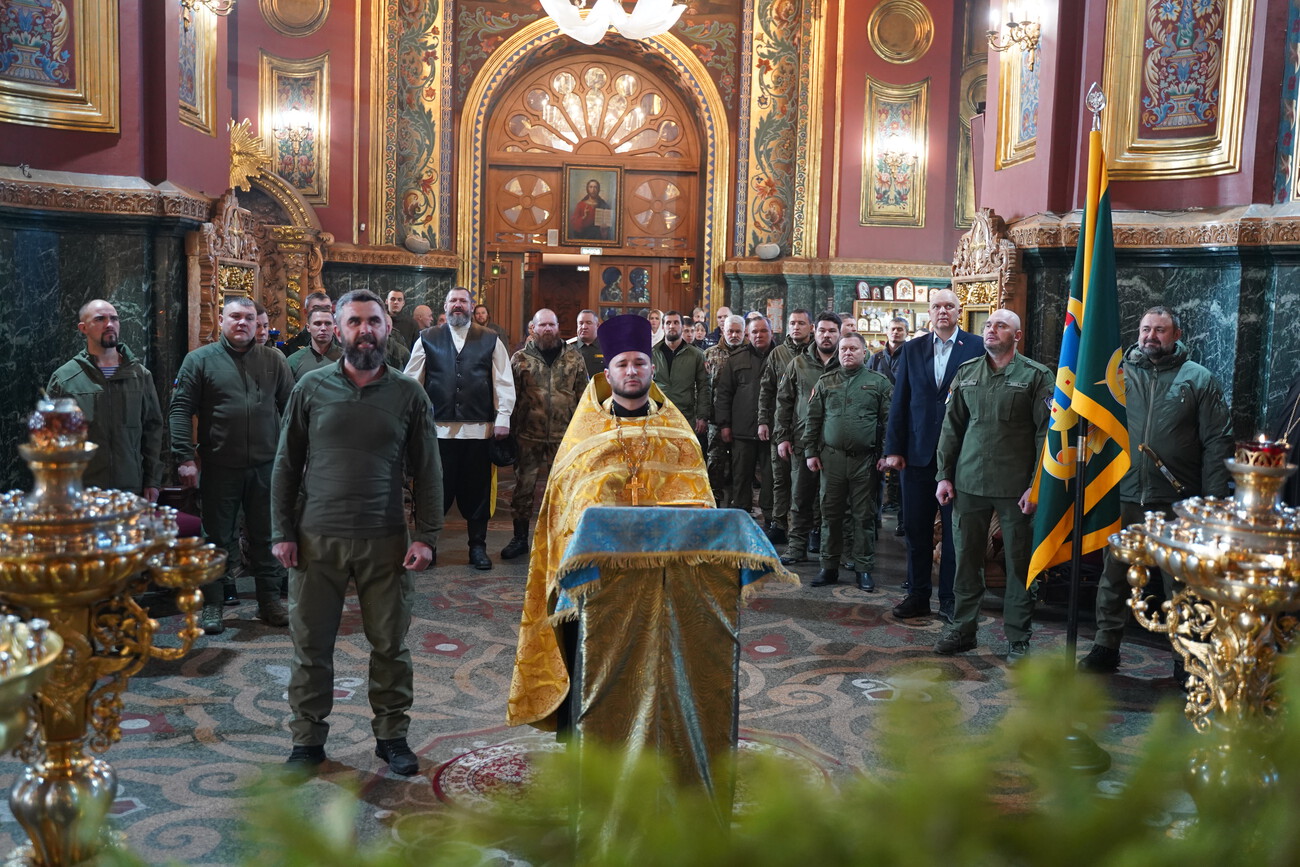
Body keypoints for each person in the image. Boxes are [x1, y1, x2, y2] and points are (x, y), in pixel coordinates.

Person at [506, 314, 712, 729]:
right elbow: (561, 510)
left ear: (651, 369)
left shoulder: (678, 435)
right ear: (608, 372)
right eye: (622, 364)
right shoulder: (584, 435)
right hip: (593, 583)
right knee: (590, 663)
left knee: (652, 667)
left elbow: (701, 506)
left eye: (639, 363)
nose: (631, 371)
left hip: (658, 581)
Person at [271, 289, 443, 777]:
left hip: (385, 540)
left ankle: (392, 736)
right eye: (354, 322)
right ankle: (307, 741)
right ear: (337, 328)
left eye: (373, 321)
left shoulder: (409, 394)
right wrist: (281, 531)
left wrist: (427, 535)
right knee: (310, 646)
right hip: (315, 540)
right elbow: (286, 464)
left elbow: (428, 470)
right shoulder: (310, 387)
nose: (364, 330)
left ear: (386, 329)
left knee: (390, 644)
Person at [1078, 306, 1233, 673]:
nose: (1151, 336)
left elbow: (1217, 442)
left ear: (1176, 335)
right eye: (1146, 329)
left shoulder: (1199, 379)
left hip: (1177, 501)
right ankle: (1105, 646)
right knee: (1114, 575)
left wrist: (1212, 503)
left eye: (1160, 330)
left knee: (1180, 583)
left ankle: (1186, 658)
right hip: (1124, 494)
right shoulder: (1116, 375)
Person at [169, 295, 294, 634]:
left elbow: (292, 411)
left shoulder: (274, 360)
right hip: (219, 465)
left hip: (266, 466)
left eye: (249, 318)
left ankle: (270, 602)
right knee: (216, 539)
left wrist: (293, 457)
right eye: (235, 316)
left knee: (267, 536)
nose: (242, 323)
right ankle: (213, 605)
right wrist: (184, 457)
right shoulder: (199, 360)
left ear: (257, 324)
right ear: (221, 320)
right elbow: (180, 410)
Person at [933, 310, 1053, 662]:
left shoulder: (1036, 376)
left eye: (1001, 326)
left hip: (1015, 488)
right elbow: (951, 428)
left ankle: (1018, 639)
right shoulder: (967, 372)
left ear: (1017, 336)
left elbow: (1046, 435)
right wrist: (944, 475)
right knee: (966, 561)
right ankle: (962, 629)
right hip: (968, 482)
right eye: (988, 325)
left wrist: (1037, 486)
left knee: (1020, 565)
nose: (991, 330)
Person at [881, 289, 985, 623]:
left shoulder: (976, 346)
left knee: (955, 535)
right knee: (916, 529)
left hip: (960, 456)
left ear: (959, 311)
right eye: (937, 306)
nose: (943, 311)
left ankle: (951, 599)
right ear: (929, 312)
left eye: (949, 306)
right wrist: (894, 449)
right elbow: (901, 400)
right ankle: (918, 595)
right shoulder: (913, 348)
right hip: (916, 454)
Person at [403, 287, 515, 570]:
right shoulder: (427, 338)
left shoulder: (490, 339)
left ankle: (477, 547)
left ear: (471, 306)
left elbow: (503, 380)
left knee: (477, 493)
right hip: (437, 431)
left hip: (478, 430)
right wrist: (411, 420)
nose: (457, 305)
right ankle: (429, 546)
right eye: (452, 300)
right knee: (434, 491)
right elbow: (412, 381)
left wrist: (503, 416)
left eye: (462, 301)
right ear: (445, 306)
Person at [46, 299, 163, 501]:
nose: (110, 324)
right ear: (83, 328)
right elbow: (50, 438)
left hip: (129, 489)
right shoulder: (65, 379)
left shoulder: (139, 375)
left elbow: (152, 430)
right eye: (100, 319)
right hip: (82, 491)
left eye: (114, 319)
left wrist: (152, 480)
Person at [803, 332, 891, 592]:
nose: (848, 353)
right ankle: (828, 567)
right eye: (843, 349)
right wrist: (810, 451)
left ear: (864, 352)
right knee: (830, 514)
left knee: (863, 516)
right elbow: (813, 419)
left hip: (865, 461)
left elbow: (889, 422)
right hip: (831, 459)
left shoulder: (879, 383)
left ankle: (863, 568)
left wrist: (886, 454)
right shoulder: (826, 381)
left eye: (853, 349)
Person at [503, 308, 589, 561]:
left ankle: (561, 539)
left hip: (564, 436)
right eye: (543, 325)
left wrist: (583, 432)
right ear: (534, 328)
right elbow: (510, 398)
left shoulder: (574, 357)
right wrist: (508, 431)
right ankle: (520, 538)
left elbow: (583, 396)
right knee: (523, 489)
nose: (548, 329)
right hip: (528, 435)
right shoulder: (520, 358)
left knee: (564, 489)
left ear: (558, 327)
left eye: (552, 324)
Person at [775, 311, 841, 564]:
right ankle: (796, 546)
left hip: (835, 444)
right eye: (822, 330)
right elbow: (784, 401)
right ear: (815, 332)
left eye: (832, 331)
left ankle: (831, 551)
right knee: (800, 497)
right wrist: (782, 436)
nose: (826, 335)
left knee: (833, 501)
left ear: (839, 334)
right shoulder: (798, 364)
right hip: (803, 440)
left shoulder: (846, 362)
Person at [758, 308, 812, 544]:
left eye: (801, 323)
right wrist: (763, 420)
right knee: (779, 479)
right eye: (792, 323)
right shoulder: (778, 353)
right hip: (780, 425)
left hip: (807, 426)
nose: (796, 327)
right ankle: (779, 524)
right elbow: (766, 390)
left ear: (810, 327)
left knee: (806, 481)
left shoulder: (815, 353)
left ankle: (808, 528)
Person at [715, 315, 775, 526]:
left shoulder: (780, 356)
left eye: (763, 331)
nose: (759, 335)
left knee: (771, 478)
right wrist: (724, 424)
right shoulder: (736, 358)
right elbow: (724, 393)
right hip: (742, 429)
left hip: (772, 430)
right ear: (748, 335)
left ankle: (771, 519)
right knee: (740, 477)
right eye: (755, 332)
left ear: (771, 333)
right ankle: (740, 519)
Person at [651, 310, 710, 445]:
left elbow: (704, 387)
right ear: (663, 327)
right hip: (658, 417)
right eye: (668, 323)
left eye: (676, 322)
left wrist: (702, 416)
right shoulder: (652, 354)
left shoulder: (696, 355)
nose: (672, 326)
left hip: (686, 417)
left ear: (682, 327)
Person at [705, 313, 746, 506]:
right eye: (731, 331)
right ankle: (714, 499)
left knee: (740, 464)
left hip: (742, 419)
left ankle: (738, 501)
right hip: (716, 417)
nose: (734, 335)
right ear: (723, 330)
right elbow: (704, 387)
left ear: (744, 332)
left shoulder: (750, 353)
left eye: (738, 331)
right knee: (715, 460)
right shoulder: (710, 354)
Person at [286, 307, 341, 382]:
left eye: (328, 323)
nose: (323, 328)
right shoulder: (294, 361)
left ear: (334, 327)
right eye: (318, 324)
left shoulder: (346, 359)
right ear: (308, 328)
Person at [281, 291, 333, 356]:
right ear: (305, 312)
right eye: (316, 308)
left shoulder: (341, 342)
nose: (322, 312)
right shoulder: (291, 347)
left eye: (327, 308)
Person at [567, 308, 604, 377]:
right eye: (581, 323)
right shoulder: (567, 348)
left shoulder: (607, 347)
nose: (584, 327)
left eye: (588, 323)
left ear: (597, 325)